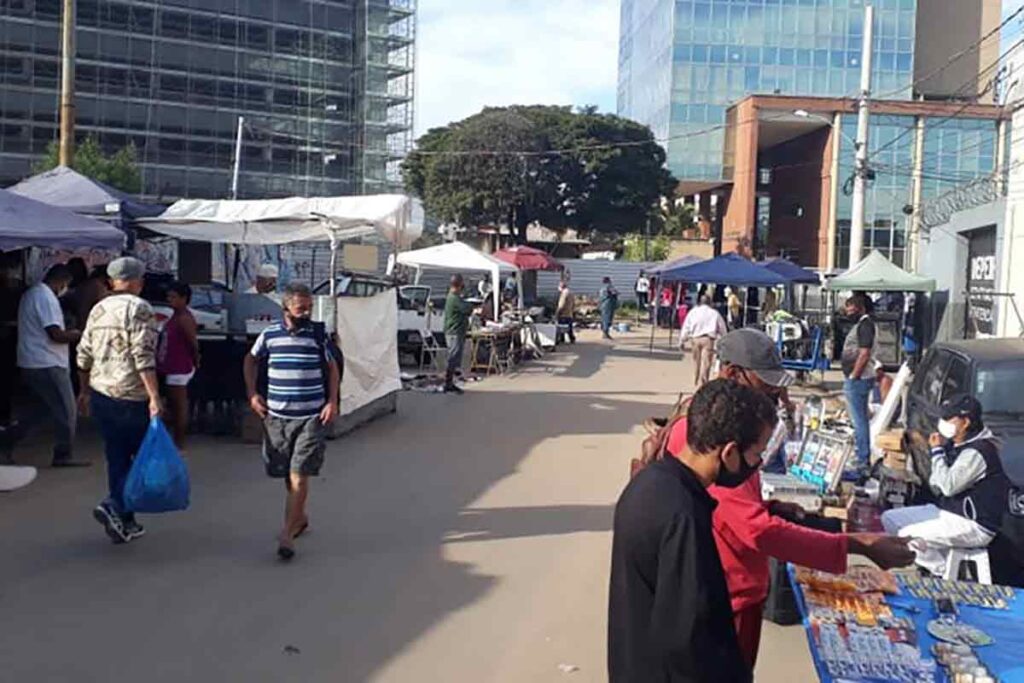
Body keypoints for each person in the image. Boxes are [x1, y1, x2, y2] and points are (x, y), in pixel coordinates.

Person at [656, 329, 915, 667]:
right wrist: (858, 543)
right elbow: (755, 529)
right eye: (766, 387)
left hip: (732, 586)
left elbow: (733, 510)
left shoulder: (716, 425)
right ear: (733, 374)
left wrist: (771, 506)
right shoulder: (708, 437)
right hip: (724, 593)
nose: (774, 397)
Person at [609, 379, 779, 683]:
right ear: (729, 453)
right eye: (756, 454)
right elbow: (689, 637)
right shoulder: (683, 515)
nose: (758, 463)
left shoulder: (650, 483)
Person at [243, 282, 339, 560]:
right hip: (277, 418)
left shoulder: (317, 335)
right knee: (287, 475)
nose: (306, 313)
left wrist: (332, 401)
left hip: (311, 416)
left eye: (309, 307)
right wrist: (252, 394)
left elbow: (333, 369)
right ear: (286, 307)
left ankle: (286, 533)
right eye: (300, 308)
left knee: (299, 474)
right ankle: (300, 517)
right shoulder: (270, 335)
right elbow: (250, 360)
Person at [882, 395, 1017, 581]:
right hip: (949, 512)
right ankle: (944, 566)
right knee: (890, 519)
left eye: (949, 419)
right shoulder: (957, 444)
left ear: (966, 422)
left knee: (907, 536)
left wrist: (937, 452)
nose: (943, 423)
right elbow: (935, 482)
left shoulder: (978, 452)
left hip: (974, 524)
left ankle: (943, 572)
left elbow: (947, 486)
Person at [77, 257, 162, 544]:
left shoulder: (99, 309)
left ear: (112, 281)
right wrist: (154, 397)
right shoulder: (141, 308)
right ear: (138, 280)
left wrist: (84, 391)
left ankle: (125, 521)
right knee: (142, 459)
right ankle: (114, 505)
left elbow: (83, 354)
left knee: (116, 456)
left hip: (102, 393)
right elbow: (143, 355)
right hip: (131, 396)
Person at [16, 264, 89, 467]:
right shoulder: (45, 297)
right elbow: (56, 334)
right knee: (67, 410)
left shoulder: (33, 293)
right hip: (47, 362)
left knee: (41, 409)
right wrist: (79, 334)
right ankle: (63, 455)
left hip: (34, 360)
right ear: (62, 281)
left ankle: (8, 440)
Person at [158, 281, 200, 450]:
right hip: (170, 365)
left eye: (174, 297)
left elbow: (193, 343)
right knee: (172, 404)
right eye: (169, 297)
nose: (170, 300)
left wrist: (195, 360)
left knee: (179, 406)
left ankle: (179, 442)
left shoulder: (184, 318)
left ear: (184, 298)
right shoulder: (175, 316)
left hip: (179, 366)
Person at [841, 294, 876, 475]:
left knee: (859, 421)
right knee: (859, 420)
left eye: (851, 308)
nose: (848, 312)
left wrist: (854, 375)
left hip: (859, 380)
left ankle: (862, 461)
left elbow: (864, 353)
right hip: (857, 379)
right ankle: (861, 458)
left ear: (860, 308)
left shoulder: (865, 325)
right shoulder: (861, 325)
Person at [678, 294, 727, 389]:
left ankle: (695, 380)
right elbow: (722, 328)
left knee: (696, 361)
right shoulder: (714, 313)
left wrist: (682, 340)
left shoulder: (693, 312)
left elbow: (686, 327)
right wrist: (724, 339)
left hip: (695, 339)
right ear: (710, 302)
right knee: (706, 363)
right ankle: (703, 383)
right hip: (708, 339)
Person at [442, 274, 474, 395]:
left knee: (455, 357)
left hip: (456, 331)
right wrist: (471, 305)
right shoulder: (454, 298)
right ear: (459, 284)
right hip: (454, 331)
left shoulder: (454, 297)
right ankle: (448, 383)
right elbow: (466, 309)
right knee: (453, 357)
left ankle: (451, 382)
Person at [556, 280, 576, 344]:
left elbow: (561, 304)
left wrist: (558, 312)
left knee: (561, 327)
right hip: (569, 313)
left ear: (561, 287)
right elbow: (573, 303)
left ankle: (561, 339)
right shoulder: (570, 293)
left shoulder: (564, 294)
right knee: (569, 327)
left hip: (563, 313)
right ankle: (572, 338)